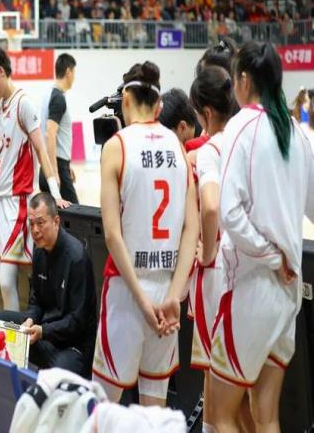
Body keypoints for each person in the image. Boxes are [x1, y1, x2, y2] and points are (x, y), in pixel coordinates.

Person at [209, 41, 314, 432]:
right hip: (288, 293)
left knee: (220, 413)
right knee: (266, 415)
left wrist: (271, 256)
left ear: (244, 79)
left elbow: (229, 212)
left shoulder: (242, 126)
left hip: (252, 288)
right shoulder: (296, 132)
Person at [92, 61, 199, 406]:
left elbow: (112, 234)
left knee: (104, 407)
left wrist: (141, 301)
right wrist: (175, 296)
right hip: (166, 293)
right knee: (155, 411)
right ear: (159, 105)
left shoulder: (116, 145)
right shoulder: (178, 147)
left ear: (125, 99)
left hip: (128, 292)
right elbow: (192, 228)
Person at [0, 46, 70, 311]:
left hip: (17, 200)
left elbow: (41, 149)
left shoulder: (23, 104)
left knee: (9, 280)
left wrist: (55, 193)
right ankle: (19, 331)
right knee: (6, 277)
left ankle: (24, 332)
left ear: (1, 72)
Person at [0, 193, 97, 377]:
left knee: (58, 373)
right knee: (3, 320)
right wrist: (30, 319)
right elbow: (36, 301)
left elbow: (78, 321)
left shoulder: (76, 258)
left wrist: (44, 331)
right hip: (45, 333)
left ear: (56, 221)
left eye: (41, 223)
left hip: (73, 344)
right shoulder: (39, 252)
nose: (35, 230)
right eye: (31, 224)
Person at [188, 65, 233, 433]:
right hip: (253, 269)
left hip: (217, 269)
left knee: (214, 374)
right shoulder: (250, 141)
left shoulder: (208, 150)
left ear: (204, 112)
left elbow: (211, 207)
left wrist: (205, 252)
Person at [39, 53, 79, 204]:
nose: (74, 77)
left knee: (55, 215)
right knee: (76, 214)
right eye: (74, 72)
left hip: (52, 164)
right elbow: (50, 134)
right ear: (68, 72)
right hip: (56, 167)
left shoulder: (49, 94)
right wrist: (55, 173)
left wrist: (67, 166)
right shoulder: (58, 98)